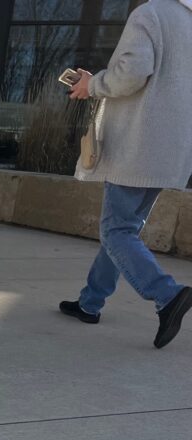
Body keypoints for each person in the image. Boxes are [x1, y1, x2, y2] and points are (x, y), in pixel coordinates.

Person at [61, 0, 192, 349]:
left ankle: (168, 294)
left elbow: (132, 74)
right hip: (173, 149)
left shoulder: (150, 14)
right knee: (124, 230)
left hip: (139, 142)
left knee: (115, 230)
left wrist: (93, 84)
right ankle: (91, 302)